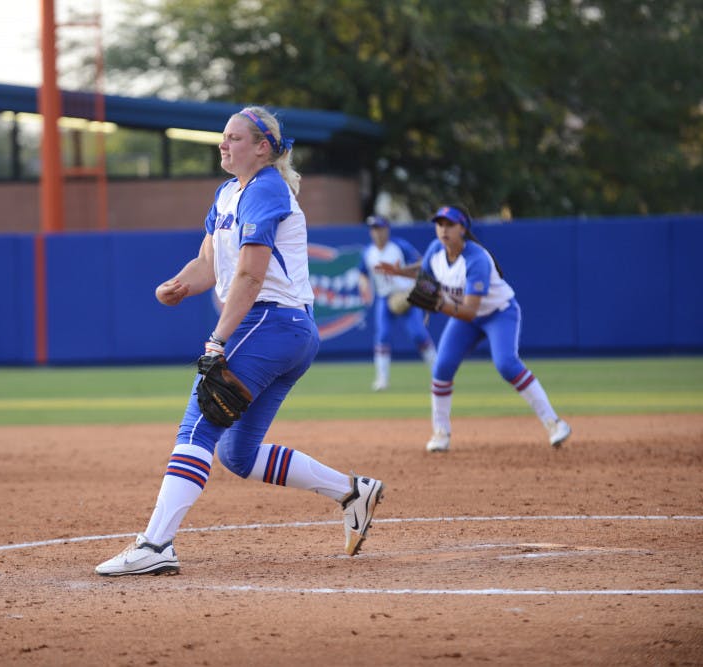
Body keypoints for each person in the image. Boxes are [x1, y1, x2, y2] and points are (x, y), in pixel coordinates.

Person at [95, 106, 385, 576]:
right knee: (238, 454)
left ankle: (155, 545)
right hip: (287, 331)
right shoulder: (229, 192)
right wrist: (177, 285)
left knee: (196, 429)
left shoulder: (267, 187)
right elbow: (209, 264)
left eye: (233, 138)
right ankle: (352, 492)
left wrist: (217, 341)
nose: (223, 145)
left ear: (262, 147)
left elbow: (250, 276)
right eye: (223, 137)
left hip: (270, 323)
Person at [380, 204, 571, 452]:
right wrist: (400, 272)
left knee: (506, 364)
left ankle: (554, 423)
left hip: (498, 313)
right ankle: (440, 433)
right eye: (439, 224)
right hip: (463, 316)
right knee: (442, 367)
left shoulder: (477, 259)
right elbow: (425, 272)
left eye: (450, 224)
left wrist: (438, 303)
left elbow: (470, 310)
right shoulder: (435, 250)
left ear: (463, 228)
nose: (443, 229)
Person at [357, 215, 437, 391]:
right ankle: (382, 380)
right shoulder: (368, 252)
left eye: (379, 228)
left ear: (387, 229)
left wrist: (414, 283)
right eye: (373, 229)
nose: (377, 233)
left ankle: (438, 374)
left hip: (406, 296)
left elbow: (421, 263)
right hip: (384, 298)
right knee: (382, 336)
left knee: (418, 334)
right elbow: (362, 272)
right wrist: (364, 285)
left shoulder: (399, 246)